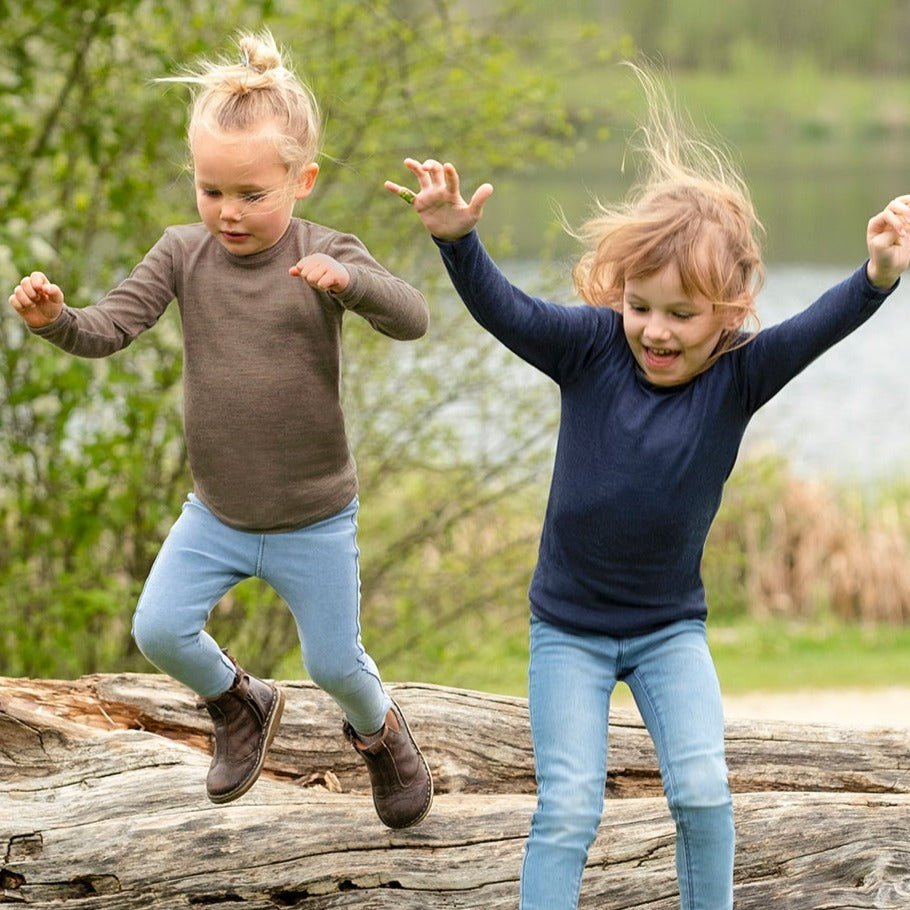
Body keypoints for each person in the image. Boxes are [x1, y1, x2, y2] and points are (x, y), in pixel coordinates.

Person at [385, 63, 910, 906]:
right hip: (569, 631)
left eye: (680, 313)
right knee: (567, 808)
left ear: (730, 310)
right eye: (640, 305)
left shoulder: (740, 374)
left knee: (703, 793)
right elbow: (506, 310)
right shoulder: (590, 347)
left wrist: (878, 275)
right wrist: (457, 240)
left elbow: (821, 326)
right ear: (618, 296)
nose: (655, 331)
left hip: (670, 630)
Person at [9, 30, 433, 829]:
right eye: (211, 191)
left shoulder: (326, 251)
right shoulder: (181, 254)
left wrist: (354, 285)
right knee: (159, 630)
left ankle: (381, 737)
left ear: (300, 181)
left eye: (251, 194)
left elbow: (412, 319)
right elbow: (109, 328)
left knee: (337, 664)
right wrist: (55, 321)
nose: (228, 212)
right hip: (217, 515)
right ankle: (241, 703)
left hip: (315, 516)